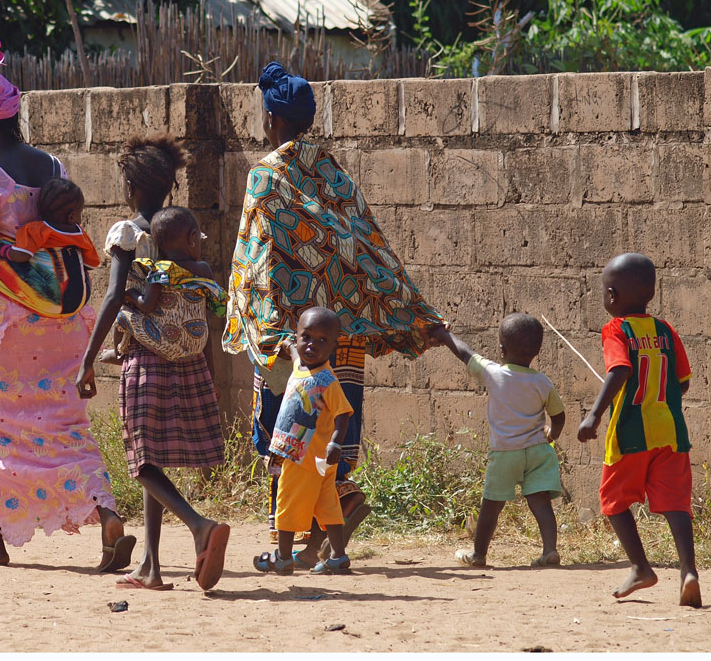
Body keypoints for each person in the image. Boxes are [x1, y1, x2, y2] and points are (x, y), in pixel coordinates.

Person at [223, 61, 445, 567]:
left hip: (295, 339)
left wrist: (267, 334)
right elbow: (369, 248)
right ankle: (324, 527)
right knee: (332, 429)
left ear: (271, 117)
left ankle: (303, 531)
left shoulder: (266, 175)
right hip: (341, 336)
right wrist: (407, 310)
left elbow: (258, 263)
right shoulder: (335, 174)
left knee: (284, 437)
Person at [0, 39, 135, 571]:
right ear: (14, 115)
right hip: (62, 327)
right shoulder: (53, 166)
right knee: (64, 424)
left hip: (4, 332)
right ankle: (107, 512)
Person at [77, 136, 230, 591]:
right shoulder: (179, 232)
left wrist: (87, 360)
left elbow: (110, 298)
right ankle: (151, 565)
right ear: (169, 184)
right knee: (155, 461)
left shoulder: (130, 234)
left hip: (145, 360)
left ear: (131, 184)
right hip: (186, 362)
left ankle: (199, 524)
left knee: (143, 464)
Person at [577, 253, 701, 607]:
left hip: (630, 433)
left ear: (611, 295)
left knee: (613, 501)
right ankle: (688, 570)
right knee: (676, 503)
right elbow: (683, 382)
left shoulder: (615, 330)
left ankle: (640, 566)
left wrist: (595, 414)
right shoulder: (665, 330)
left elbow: (619, 370)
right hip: (671, 432)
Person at [432, 314, 566, 568]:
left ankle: (479, 555)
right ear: (537, 352)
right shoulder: (541, 382)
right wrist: (551, 435)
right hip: (538, 451)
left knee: (491, 506)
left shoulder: (493, 373)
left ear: (501, 350)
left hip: (505, 453)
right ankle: (550, 550)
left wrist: (444, 336)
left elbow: (465, 353)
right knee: (540, 503)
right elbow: (559, 416)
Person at [254, 308, 355, 576]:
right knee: (328, 506)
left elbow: (344, 414)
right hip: (318, 459)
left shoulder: (327, 381)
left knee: (286, 501)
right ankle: (338, 556)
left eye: (323, 340)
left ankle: (283, 558)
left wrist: (336, 443)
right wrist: (286, 344)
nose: (312, 345)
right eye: (306, 337)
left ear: (334, 346)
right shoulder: (300, 364)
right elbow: (295, 353)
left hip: (302, 456)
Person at [102, 206, 226, 367]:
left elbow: (147, 305)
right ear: (193, 238)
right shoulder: (204, 269)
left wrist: (131, 294)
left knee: (122, 313)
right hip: (197, 343)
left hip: (167, 343)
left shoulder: (159, 272)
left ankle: (118, 352)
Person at [0, 177, 100, 316]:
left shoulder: (36, 230)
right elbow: (91, 264)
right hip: (81, 298)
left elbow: (21, 256)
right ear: (72, 217)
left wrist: (0, 249)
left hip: (49, 300)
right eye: (80, 212)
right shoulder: (80, 234)